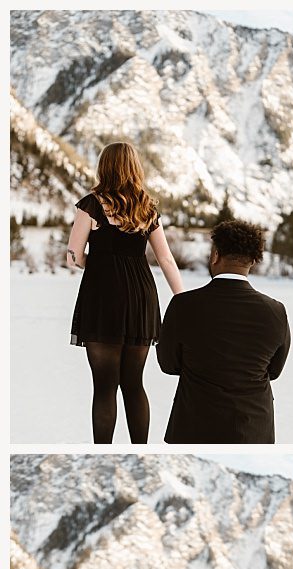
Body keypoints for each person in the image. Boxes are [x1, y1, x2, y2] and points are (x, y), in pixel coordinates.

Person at [66, 141, 185, 443]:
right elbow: (167, 259)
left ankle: (102, 451)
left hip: (103, 298)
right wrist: (183, 299)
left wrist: (98, 264)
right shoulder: (147, 207)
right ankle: (141, 448)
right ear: (134, 167)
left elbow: (74, 256)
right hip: (141, 299)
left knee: (104, 387)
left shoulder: (91, 205)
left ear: (104, 166)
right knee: (134, 384)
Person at [157, 218, 291, 443]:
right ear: (253, 262)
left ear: (215, 255)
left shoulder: (183, 305)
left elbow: (168, 364)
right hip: (253, 432)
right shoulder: (276, 311)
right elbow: (274, 371)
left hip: (192, 429)